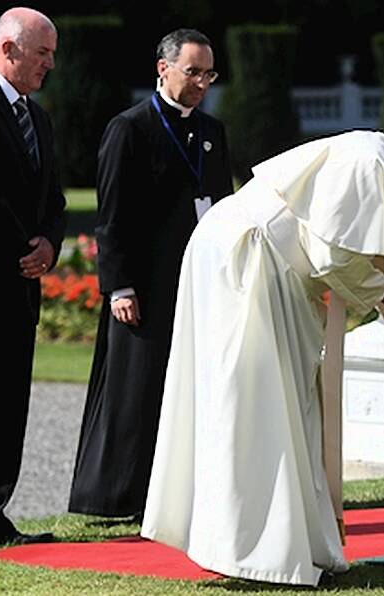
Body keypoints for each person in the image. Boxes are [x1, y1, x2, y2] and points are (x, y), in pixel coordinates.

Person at [140, 115, 384, 586]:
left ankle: (289, 546)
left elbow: (378, 273)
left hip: (252, 264)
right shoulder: (369, 161)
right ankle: (252, 552)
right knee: (255, 407)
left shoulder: (374, 158)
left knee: (284, 407)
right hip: (247, 265)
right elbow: (336, 257)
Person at [68, 29, 233, 518]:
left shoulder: (211, 132)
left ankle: (179, 493)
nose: (202, 82)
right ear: (164, 69)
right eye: (193, 71)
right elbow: (112, 216)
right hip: (143, 285)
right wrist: (119, 285)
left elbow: (222, 209)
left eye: (209, 73)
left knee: (187, 387)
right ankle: (118, 496)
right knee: (136, 391)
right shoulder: (130, 128)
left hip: (195, 284)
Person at [0, 7, 66, 552]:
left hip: (20, 288)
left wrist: (50, 243)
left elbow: (52, 198)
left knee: (8, 406)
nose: (51, 64)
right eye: (42, 53)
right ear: (8, 48)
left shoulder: (39, 118)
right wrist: (22, 248)